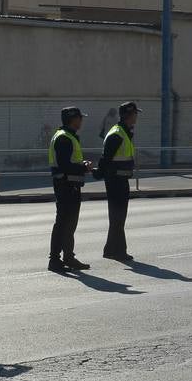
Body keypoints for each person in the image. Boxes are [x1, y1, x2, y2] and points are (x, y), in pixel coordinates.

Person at [48, 106, 96, 272]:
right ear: (73, 119)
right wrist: (84, 167)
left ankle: (68, 257)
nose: (82, 120)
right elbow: (65, 165)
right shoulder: (64, 138)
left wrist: (81, 166)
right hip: (66, 186)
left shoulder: (68, 136)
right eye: (80, 118)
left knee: (69, 224)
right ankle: (55, 260)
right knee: (62, 224)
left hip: (71, 186)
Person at [99, 101, 139, 261]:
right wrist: (99, 173)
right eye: (135, 114)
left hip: (120, 179)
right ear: (130, 115)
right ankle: (119, 251)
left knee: (117, 217)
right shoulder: (117, 133)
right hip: (116, 180)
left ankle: (110, 249)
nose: (137, 117)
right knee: (118, 217)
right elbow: (106, 158)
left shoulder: (123, 131)